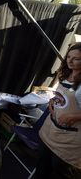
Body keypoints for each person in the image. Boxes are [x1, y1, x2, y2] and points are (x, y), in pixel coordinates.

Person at [37, 42, 81, 179]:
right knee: (41, 169)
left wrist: (73, 117)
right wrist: (52, 101)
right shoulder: (66, 75)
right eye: (68, 57)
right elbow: (62, 96)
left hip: (67, 139)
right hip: (50, 132)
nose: (70, 61)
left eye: (76, 59)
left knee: (57, 172)